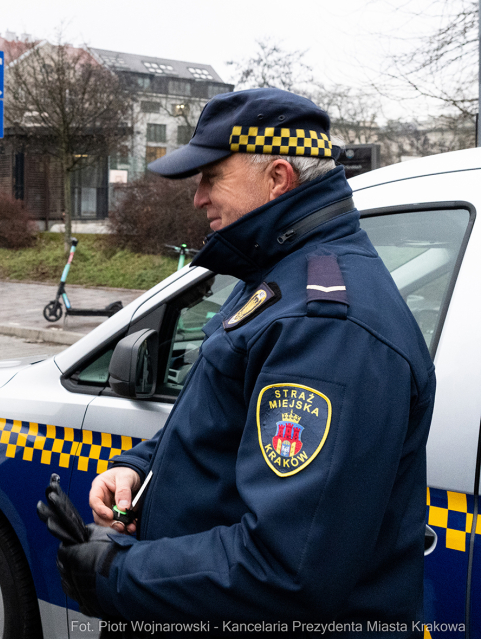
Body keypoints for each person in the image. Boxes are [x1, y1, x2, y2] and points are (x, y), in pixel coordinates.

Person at [48, 88, 435, 629]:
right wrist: (140, 469)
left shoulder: (322, 326)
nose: (198, 197)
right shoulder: (279, 280)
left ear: (277, 179)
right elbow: (223, 414)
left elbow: (285, 569)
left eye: (211, 177)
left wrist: (118, 573)